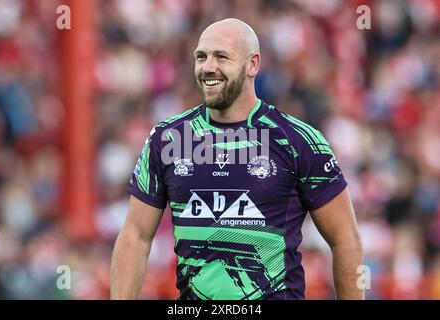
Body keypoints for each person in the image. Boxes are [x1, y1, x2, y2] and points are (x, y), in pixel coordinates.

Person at [110, 18, 364, 300]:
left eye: (221, 57)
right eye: (201, 57)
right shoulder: (167, 138)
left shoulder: (299, 140)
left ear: (252, 64)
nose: (208, 67)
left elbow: (345, 239)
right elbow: (135, 236)